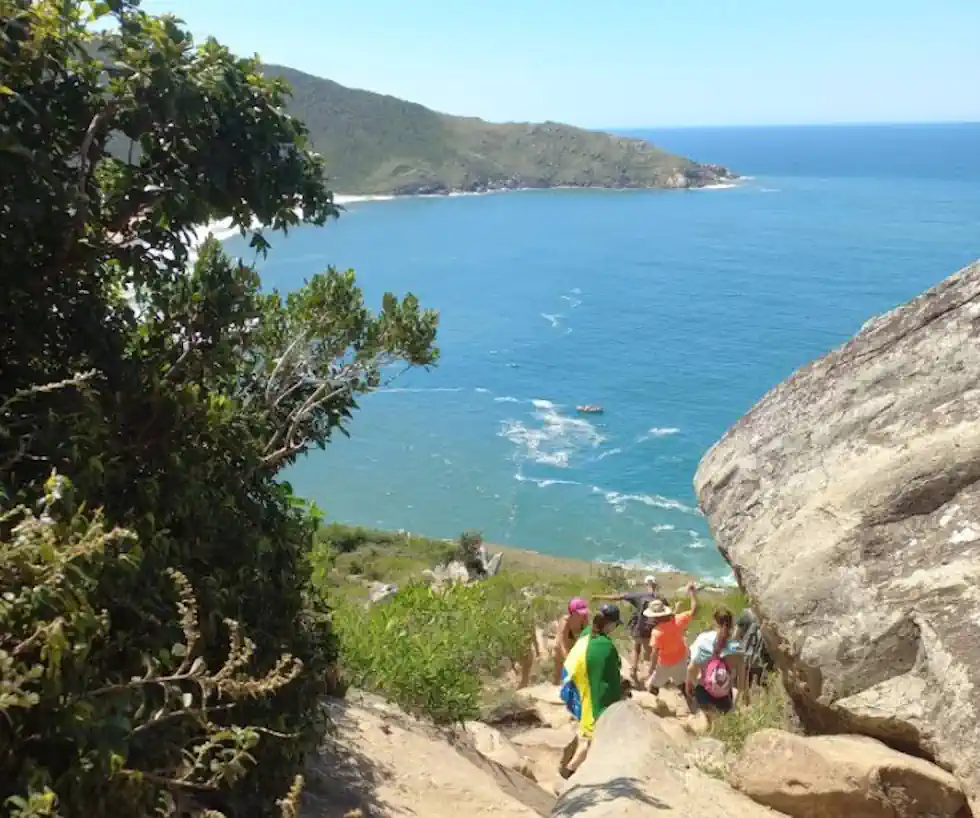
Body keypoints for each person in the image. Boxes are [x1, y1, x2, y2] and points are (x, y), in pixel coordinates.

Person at [558, 603, 624, 779]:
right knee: (589, 738)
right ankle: (567, 773)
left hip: (575, 683)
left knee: (585, 729)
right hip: (587, 689)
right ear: (609, 624)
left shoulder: (588, 634)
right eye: (615, 625)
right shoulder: (604, 645)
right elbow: (607, 679)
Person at [594, 574, 663, 684]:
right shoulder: (660, 599)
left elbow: (617, 597)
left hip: (638, 628)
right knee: (650, 654)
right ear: (655, 585)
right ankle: (650, 677)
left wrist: (598, 596)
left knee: (636, 648)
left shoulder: (638, 596)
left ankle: (634, 670)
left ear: (646, 584)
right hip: (650, 631)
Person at [686, 608, 747, 728]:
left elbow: (691, 669)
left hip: (704, 691)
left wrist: (690, 685)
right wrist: (742, 696)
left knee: (708, 723)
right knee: (722, 724)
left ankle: (708, 726)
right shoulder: (737, 647)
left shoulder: (703, 640)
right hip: (724, 694)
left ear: (714, 622)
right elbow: (741, 680)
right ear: (732, 624)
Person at [643, 581, 697, 694]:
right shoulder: (678, 620)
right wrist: (692, 593)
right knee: (682, 684)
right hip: (681, 659)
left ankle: (655, 702)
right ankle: (690, 701)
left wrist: (651, 669)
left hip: (665, 664)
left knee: (652, 686)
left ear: (655, 617)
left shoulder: (657, 632)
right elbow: (693, 610)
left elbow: (654, 654)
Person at [552, 597, 590, 684]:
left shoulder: (584, 620)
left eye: (583, 613)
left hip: (574, 646)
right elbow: (562, 644)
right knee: (558, 675)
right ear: (572, 613)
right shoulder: (565, 622)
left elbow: (587, 637)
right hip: (560, 650)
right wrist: (569, 660)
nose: (582, 615)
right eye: (579, 613)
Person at [735, 607, 773, 687]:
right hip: (759, 661)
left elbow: (736, 636)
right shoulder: (750, 617)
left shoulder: (746, 616)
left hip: (750, 659)